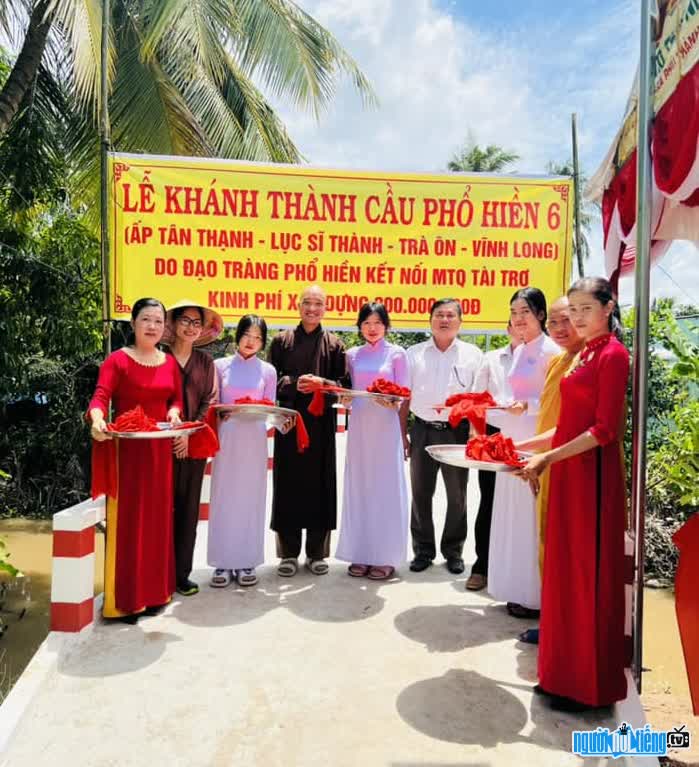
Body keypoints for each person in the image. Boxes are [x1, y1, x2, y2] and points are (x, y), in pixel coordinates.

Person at [519, 277, 629, 712]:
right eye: (573, 310)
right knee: (563, 575)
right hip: (565, 472)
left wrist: (550, 458)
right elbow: (565, 425)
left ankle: (588, 687)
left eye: (586, 309)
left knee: (588, 576)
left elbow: (605, 430)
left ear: (608, 307)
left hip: (592, 479)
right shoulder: (581, 353)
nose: (579, 318)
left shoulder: (615, 355)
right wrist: (523, 449)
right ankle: (559, 675)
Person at [89, 297, 182, 623]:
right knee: (129, 524)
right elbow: (100, 397)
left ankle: (156, 594)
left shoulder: (169, 362)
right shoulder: (118, 361)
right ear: (133, 324)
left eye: (158, 321)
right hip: (127, 453)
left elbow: (175, 398)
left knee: (157, 522)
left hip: (158, 453)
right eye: (147, 319)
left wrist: (173, 411)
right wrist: (97, 419)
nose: (153, 326)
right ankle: (126, 600)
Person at [485, 288, 559, 617]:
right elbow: (509, 394)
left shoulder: (551, 351)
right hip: (512, 438)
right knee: (512, 516)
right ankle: (515, 588)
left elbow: (555, 403)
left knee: (532, 517)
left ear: (541, 315)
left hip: (536, 439)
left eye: (525, 312)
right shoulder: (519, 352)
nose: (518, 319)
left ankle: (536, 596)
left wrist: (525, 406)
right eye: (514, 312)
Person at [268, 285, 348, 577]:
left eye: (318, 304)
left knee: (321, 485)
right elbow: (269, 379)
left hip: (321, 424)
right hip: (289, 422)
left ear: (325, 308)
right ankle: (288, 553)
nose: (312, 309)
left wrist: (321, 382)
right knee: (288, 485)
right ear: (297, 305)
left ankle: (317, 552)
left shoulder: (336, 344)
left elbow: (342, 383)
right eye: (307, 303)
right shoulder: (281, 341)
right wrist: (293, 382)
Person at [516, 295, 583, 643]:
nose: (559, 328)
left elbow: (578, 428)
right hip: (547, 461)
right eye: (554, 321)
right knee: (548, 543)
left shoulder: (586, 362)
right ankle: (553, 623)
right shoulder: (562, 362)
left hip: (570, 465)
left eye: (566, 320)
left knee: (567, 550)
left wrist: (537, 453)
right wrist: (521, 450)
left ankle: (566, 628)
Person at [405, 298, 483, 574]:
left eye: (451, 315)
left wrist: (475, 435)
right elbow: (404, 397)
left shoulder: (473, 355)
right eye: (439, 314)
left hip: (457, 431)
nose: (445, 320)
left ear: (460, 322)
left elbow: (477, 400)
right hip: (423, 429)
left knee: (458, 495)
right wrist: (404, 433)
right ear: (430, 320)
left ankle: (453, 550)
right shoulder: (413, 354)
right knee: (421, 493)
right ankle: (423, 550)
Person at [335, 303, 409, 580]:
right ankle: (361, 553)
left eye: (378, 322)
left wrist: (392, 401)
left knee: (385, 489)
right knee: (361, 487)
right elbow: (348, 391)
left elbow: (403, 392)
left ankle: (385, 556)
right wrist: (344, 398)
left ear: (386, 326)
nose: (372, 327)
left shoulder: (397, 354)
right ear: (360, 326)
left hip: (385, 427)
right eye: (366, 322)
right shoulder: (351, 355)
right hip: (360, 427)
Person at [207, 315, 277, 588]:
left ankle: (247, 559)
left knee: (251, 497)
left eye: (258, 337)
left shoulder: (268, 371)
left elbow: (269, 406)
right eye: (248, 335)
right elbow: (212, 403)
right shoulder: (219, 366)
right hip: (228, 437)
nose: (252, 341)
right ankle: (222, 562)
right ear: (238, 336)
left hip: (255, 438)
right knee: (224, 496)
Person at [163, 299, 222, 597]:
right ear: (172, 324)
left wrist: (187, 432)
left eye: (196, 322)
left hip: (194, 445)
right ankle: (158, 575)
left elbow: (208, 401)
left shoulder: (205, 362)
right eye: (184, 320)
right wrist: (173, 432)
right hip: (160, 446)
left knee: (188, 510)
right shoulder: (158, 357)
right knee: (161, 510)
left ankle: (181, 575)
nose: (190, 326)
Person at [464, 320, 521, 591]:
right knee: (489, 500)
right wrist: (477, 437)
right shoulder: (492, 358)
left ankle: (519, 570)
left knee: (523, 505)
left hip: (528, 434)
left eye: (528, 319)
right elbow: (476, 400)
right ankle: (482, 566)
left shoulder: (549, 355)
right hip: (494, 434)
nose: (521, 328)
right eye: (516, 321)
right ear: (508, 328)